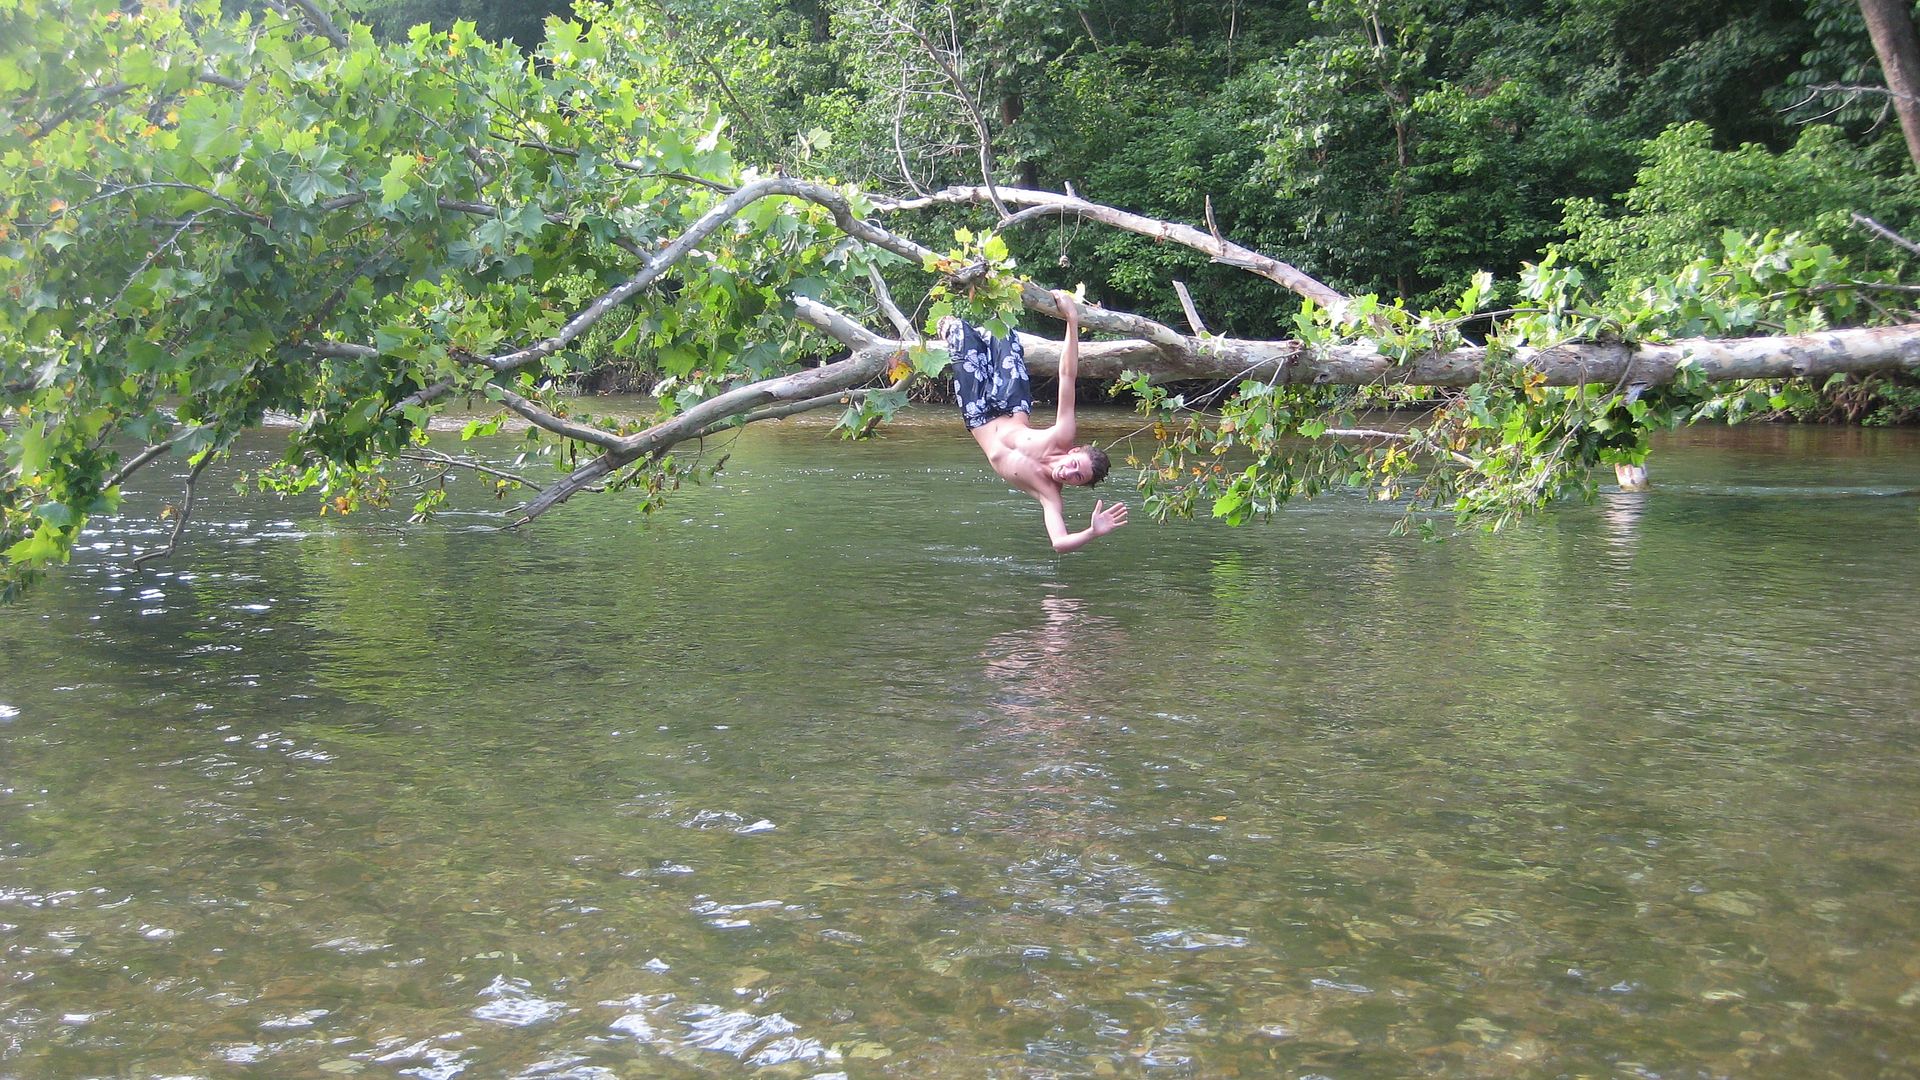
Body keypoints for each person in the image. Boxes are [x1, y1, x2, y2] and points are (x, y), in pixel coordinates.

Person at [939, 290, 1128, 552]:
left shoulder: (1049, 495)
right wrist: (1072, 320)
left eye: (1076, 478)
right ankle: (989, 288)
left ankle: (955, 329)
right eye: (1075, 465)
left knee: (958, 331)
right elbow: (1067, 375)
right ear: (1073, 451)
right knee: (1001, 327)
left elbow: (1059, 543)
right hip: (1011, 403)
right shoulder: (1062, 435)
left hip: (978, 415)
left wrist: (1092, 532)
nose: (1069, 473)